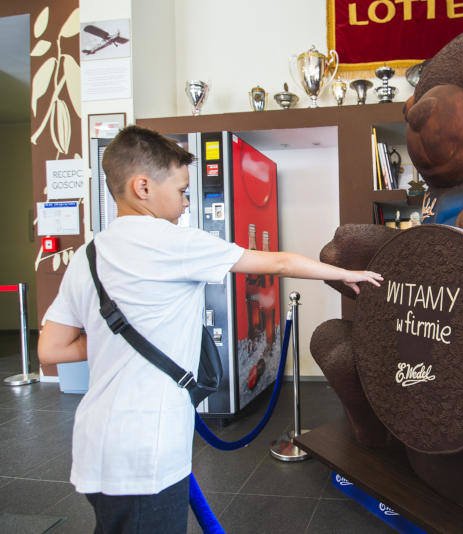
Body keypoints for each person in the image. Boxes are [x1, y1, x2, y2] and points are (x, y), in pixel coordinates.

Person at [37, 125, 382, 533]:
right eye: (182, 190)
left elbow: (51, 350)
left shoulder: (87, 256)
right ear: (143, 186)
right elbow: (279, 263)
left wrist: (118, 342)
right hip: (149, 447)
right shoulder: (172, 243)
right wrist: (345, 272)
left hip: (96, 445)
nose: (186, 202)